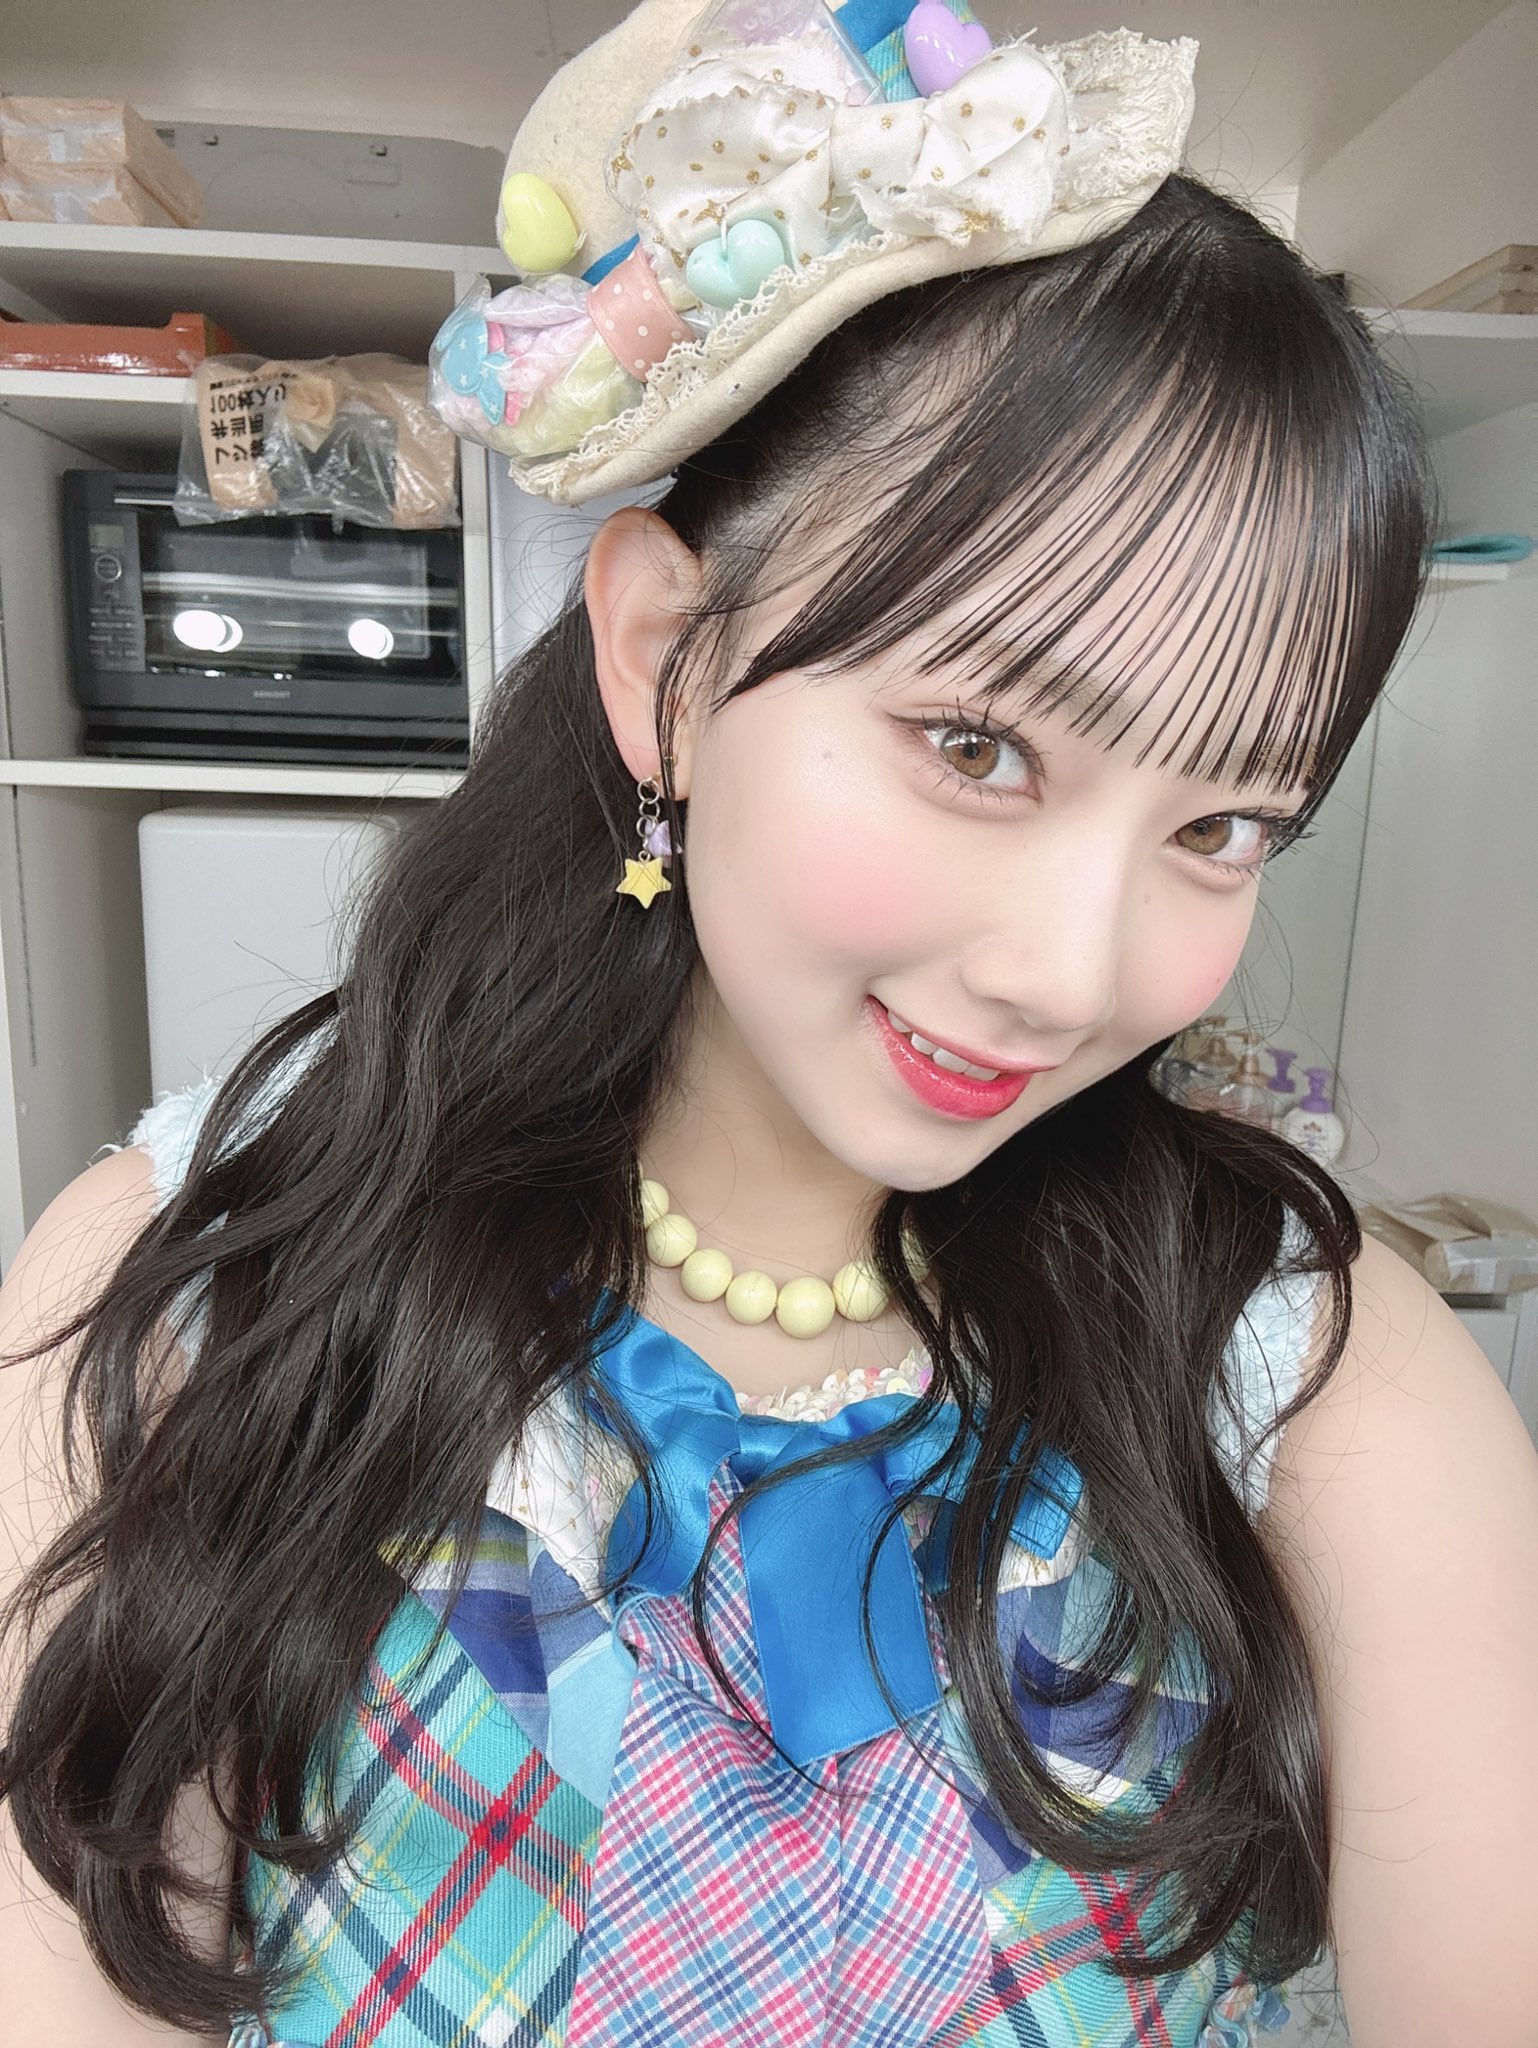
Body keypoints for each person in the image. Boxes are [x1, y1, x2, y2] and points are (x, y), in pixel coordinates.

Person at [4, 5, 1537, 2045]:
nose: (1071, 973)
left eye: (1221, 825)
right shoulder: (202, 1288)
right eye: (976, 745)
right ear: (666, 656)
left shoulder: (1305, 1368)